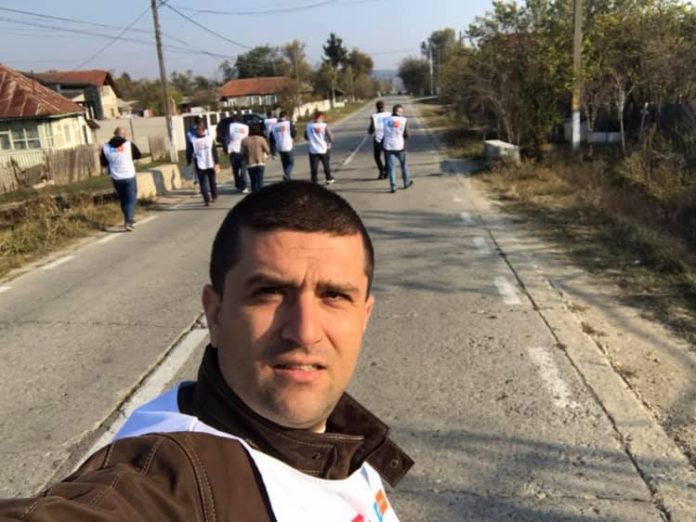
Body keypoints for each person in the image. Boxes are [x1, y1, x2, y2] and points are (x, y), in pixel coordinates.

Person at [0, 181, 413, 521]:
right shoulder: (174, 472)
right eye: (269, 292)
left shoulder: (342, 440)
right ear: (215, 315)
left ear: (364, 316)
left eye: (334, 296)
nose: (305, 332)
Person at [99, 127, 142, 231]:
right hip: (129, 175)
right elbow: (138, 155)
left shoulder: (105, 147)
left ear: (114, 134)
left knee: (123, 199)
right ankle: (129, 221)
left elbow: (103, 163)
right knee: (131, 199)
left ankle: (127, 219)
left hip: (116, 177)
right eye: (125, 134)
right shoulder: (128, 144)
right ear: (123, 134)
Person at [382, 104, 413, 194]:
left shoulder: (385, 120)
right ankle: (406, 182)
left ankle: (393, 187)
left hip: (388, 146)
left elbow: (383, 131)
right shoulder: (403, 120)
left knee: (391, 167)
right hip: (399, 146)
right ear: (400, 111)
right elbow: (406, 134)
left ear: (393, 111)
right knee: (403, 165)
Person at [187, 123, 220, 206]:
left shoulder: (194, 140)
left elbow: (189, 152)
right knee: (208, 181)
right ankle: (211, 196)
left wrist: (189, 160)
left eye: (198, 130)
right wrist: (216, 161)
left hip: (205, 163)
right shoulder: (207, 139)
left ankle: (209, 198)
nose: (198, 132)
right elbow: (214, 151)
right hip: (205, 163)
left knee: (206, 182)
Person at [304, 111, 335, 185]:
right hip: (323, 148)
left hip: (313, 149)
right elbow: (330, 136)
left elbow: (306, 136)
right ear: (320, 117)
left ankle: (314, 180)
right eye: (323, 117)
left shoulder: (308, 126)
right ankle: (328, 178)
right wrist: (330, 142)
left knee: (314, 167)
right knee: (326, 165)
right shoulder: (324, 126)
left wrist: (312, 138)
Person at [241, 122, 270, 192]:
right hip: (260, 162)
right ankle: (260, 194)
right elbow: (267, 150)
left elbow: (242, 153)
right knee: (260, 180)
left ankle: (254, 193)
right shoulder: (261, 139)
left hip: (250, 163)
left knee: (253, 180)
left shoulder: (244, 140)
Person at [269, 110, 296, 181]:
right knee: (291, 163)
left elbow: (271, 139)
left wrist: (273, 151)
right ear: (285, 116)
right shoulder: (288, 123)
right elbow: (293, 134)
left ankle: (287, 178)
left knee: (284, 163)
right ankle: (286, 175)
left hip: (279, 146)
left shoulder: (274, 126)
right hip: (287, 145)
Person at [226, 114, 250, 194]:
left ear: (234, 119)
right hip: (242, 150)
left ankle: (238, 185)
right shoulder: (246, 127)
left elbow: (226, 138)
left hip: (233, 150)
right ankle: (244, 186)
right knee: (243, 169)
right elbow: (246, 139)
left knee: (235, 170)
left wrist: (226, 148)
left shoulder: (230, 126)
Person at [368, 100, 390, 180]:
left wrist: (370, 130)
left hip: (378, 138)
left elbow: (371, 130)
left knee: (377, 156)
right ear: (384, 106)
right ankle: (386, 171)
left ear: (376, 107)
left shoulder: (374, 116)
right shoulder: (389, 114)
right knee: (387, 156)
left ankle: (382, 171)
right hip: (387, 137)